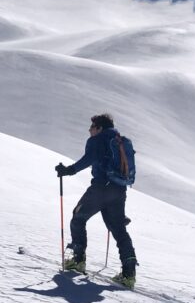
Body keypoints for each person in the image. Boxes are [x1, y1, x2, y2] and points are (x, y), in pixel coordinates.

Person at [55, 113, 138, 288]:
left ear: (99, 128)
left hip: (100, 188)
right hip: (119, 190)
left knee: (78, 218)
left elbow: (88, 159)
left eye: (92, 127)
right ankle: (129, 274)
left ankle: (78, 260)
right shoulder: (119, 140)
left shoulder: (98, 140)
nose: (89, 130)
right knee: (118, 229)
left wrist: (68, 170)